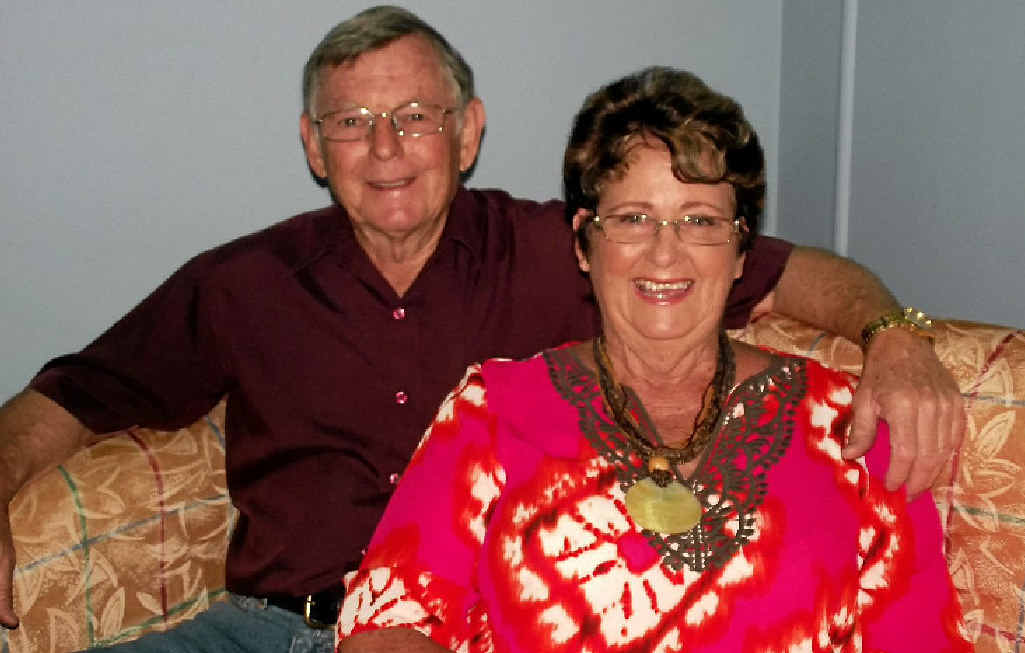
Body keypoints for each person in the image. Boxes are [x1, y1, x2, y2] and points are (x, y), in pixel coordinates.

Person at [0, 6, 962, 652]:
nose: (385, 147)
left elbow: (796, 273)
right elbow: (72, 394)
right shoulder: (242, 284)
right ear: (312, 145)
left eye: (416, 115)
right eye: (351, 121)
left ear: (468, 132)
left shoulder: (573, 245)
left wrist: (894, 333)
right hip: (269, 627)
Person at [337, 66, 971, 653]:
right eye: (634, 218)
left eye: (700, 222)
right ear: (584, 243)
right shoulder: (492, 410)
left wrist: (895, 335)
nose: (665, 254)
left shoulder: (851, 427)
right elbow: (386, 624)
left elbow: (920, 639)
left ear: (741, 252)